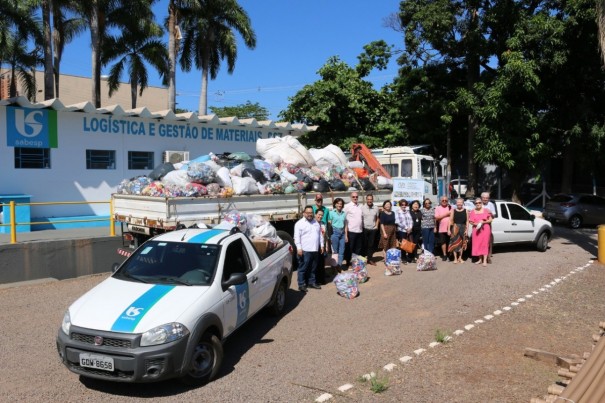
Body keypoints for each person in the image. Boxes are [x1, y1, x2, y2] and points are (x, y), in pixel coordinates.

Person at [294, 205, 323, 291]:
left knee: (313, 268)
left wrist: (322, 245)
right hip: (305, 250)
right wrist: (299, 248)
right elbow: (296, 237)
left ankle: (311, 282)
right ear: (304, 213)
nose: (310, 214)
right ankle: (301, 284)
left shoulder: (316, 222)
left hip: (315, 249)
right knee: (303, 268)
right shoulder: (299, 224)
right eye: (308, 213)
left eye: (311, 213)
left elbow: (320, 235)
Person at [469, 197, 493, 266]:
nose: (478, 204)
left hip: (485, 229)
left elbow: (490, 220)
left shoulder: (486, 210)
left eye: (479, 202)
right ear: (474, 204)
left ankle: (484, 260)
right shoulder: (473, 211)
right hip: (476, 229)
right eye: (476, 203)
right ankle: (480, 259)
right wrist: (475, 223)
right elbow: (470, 221)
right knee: (477, 244)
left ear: (482, 203)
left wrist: (483, 222)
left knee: (485, 244)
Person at [344, 192, 363, 264]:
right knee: (350, 248)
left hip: (359, 230)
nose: (355, 198)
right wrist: (345, 232)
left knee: (358, 248)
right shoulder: (347, 206)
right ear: (350, 197)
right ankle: (348, 261)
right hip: (351, 231)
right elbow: (344, 218)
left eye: (356, 197)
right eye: (353, 197)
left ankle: (356, 262)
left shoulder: (360, 206)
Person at [447, 198, 469, 264]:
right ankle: (455, 258)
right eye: (458, 202)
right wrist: (448, 230)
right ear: (456, 203)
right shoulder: (453, 211)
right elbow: (450, 221)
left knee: (462, 243)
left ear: (463, 203)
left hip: (463, 227)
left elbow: (467, 221)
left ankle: (460, 258)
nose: (459, 203)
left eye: (461, 202)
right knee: (454, 243)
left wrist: (467, 230)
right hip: (455, 227)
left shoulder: (466, 211)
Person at [361, 194, 379, 265]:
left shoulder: (376, 208)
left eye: (370, 199)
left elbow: (378, 218)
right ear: (366, 200)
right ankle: (362, 259)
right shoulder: (362, 208)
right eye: (368, 199)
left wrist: (376, 226)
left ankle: (370, 259)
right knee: (364, 245)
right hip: (364, 228)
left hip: (373, 229)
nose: (369, 201)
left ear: (372, 200)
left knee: (371, 245)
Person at [329, 198, 347, 270]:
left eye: (341, 203)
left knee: (342, 250)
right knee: (335, 252)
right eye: (338, 203)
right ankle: (334, 267)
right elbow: (329, 223)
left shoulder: (343, 213)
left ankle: (339, 266)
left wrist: (346, 235)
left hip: (342, 233)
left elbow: (345, 224)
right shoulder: (332, 213)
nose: (339, 205)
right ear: (335, 204)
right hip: (334, 232)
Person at [394, 199, 413, 263]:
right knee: (403, 245)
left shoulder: (408, 211)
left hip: (409, 230)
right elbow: (398, 222)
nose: (404, 206)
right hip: (402, 230)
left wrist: (410, 227)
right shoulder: (397, 212)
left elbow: (411, 220)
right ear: (400, 205)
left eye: (405, 205)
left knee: (410, 243)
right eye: (402, 205)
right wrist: (406, 228)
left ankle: (410, 257)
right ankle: (403, 257)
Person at [314, 209, 329, 284]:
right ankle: (315, 280)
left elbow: (325, 235)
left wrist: (326, 246)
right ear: (315, 214)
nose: (320, 216)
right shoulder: (312, 223)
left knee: (321, 263)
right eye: (319, 214)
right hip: (314, 246)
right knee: (315, 263)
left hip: (322, 245)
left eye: (322, 215)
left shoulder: (323, 224)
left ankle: (321, 279)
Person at [435, 196, 452, 261]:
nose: (444, 201)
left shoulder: (450, 207)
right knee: (443, 242)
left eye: (446, 200)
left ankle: (450, 254)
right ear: (440, 201)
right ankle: (444, 254)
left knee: (450, 242)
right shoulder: (437, 208)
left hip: (450, 228)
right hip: (441, 228)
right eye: (443, 200)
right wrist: (447, 214)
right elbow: (437, 218)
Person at [481, 191, 496, 264]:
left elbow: (494, 216)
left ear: (488, 198)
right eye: (484, 198)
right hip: (480, 224)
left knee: (488, 240)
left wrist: (490, 212)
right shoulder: (478, 204)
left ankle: (488, 257)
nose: (485, 199)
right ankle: (480, 256)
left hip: (488, 224)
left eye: (487, 198)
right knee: (480, 240)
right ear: (481, 198)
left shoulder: (491, 204)